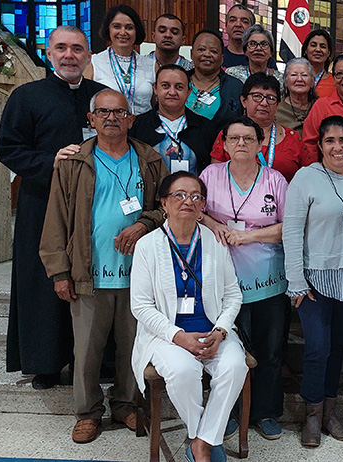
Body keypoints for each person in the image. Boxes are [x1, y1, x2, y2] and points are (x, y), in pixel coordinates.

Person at [40, 89, 167, 444]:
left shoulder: (150, 160)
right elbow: (55, 221)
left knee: (133, 347)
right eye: (104, 112)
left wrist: (144, 223)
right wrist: (60, 272)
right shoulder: (73, 163)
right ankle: (88, 412)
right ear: (91, 119)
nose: (112, 118)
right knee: (87, 352)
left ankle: (126, 405)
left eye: (119, 112)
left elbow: (166, 208)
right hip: (88, 274)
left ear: (131, 118)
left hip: (138, 277)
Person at [0, 25, 107, 390]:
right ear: (49, 53)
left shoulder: (101, 97)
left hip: (93, 206)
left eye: (77, 49)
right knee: (43, 281)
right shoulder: (26, 97)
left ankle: (89, 359)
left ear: (89, 55)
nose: (69, 55)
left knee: (88, 280)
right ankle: (44, 362)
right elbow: (9, 149)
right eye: (62, 48)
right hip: (42, 203)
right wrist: (50, 163)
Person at [129, 171, 248, 462]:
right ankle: (203, 441)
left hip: (213, 332)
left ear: (203, 205)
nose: (188, 201)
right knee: (183, 371)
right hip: (166, 335)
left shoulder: (214, 241)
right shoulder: (148, 246)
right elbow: (141, 306)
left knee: (235, 366)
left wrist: (220, 332)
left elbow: (233, 295)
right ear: (164, 203)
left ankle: (201, 441)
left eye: (195, 196)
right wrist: (178, 336)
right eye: (179, 195)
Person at [283, 116, 343, 448]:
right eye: (330, 141)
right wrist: (296, 280)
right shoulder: (305, 178)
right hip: (313, 279)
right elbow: (291, 231)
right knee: (317, 348)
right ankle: (311, 413)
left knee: (337, 347)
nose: (338, 147)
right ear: (320, 145)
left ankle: (329, 412)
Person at [199, 117, 290, 441]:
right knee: (226, 353)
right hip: (222, 282)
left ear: (260, 144)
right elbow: (197, 212)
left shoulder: (275, 180)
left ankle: (266, 412)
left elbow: (288, 227)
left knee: (268, 350)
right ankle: (229, 412)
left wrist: (250, 237)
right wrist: (216, 227)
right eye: (234, 138)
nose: (241, 144)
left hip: (267, 281)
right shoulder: (210, 175)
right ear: (224, 144)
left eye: (248, 139)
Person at [209, 73, 310, 183]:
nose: (264, 103)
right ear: (243, 101)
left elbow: (307, 179)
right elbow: (216, 178)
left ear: (278, 105)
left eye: (270, 98)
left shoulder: (293, 139)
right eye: (257, 96)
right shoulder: (228, 134)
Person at [131, 64, 215, 174]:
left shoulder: (206, 128)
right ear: (155, 88)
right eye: (165, 86)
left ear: (188, 92)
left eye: (179, 87)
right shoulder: (137, 126)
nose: (172, 92)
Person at [88, 5, 155, 115]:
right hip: (109, 126)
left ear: (136, 30)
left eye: (129, 27)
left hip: (144, 128)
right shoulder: (94, 62)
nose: (123, 32)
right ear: (108, 29)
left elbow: (154, 102)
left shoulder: (151, 64)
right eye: (117, 26)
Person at [302, 54, 343, 159]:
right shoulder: (322, 106)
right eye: (339, 74)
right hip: (330, 171)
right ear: (333, 79)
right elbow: (309, 145)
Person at [186, 30, 244, 128]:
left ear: (222, 58)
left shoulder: (235, 87)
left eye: (213, 51)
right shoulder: (178, 82)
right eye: (201, 50)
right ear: (192, 54)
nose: (207, 54)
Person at [276, 58, 317, 134]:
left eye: (304, 75)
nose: (299, 79)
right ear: (285, 82)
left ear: (312, 82)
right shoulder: (276, 109)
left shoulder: (319, 107)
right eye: (294, 75)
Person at [303, 29, 335, 98]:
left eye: (323, 46)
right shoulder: (296, 78)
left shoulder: (335, 81)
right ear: (305, 50)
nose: (318, 49)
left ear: (329, 53)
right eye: (313, 45)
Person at [222, 4, 254, 68]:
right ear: (225, 26)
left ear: (252, 28)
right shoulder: (217, 56)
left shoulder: (261, 58)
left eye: (244, 21)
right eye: (233, 20)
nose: (238, 25)